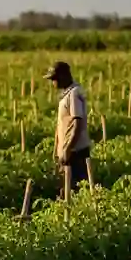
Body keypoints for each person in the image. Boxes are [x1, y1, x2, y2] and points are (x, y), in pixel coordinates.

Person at [46, 61, 91, 192]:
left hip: (76, 153)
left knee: (74, 192)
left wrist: (68, 149)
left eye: (54, 79)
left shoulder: (74, 94)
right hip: (69, 152)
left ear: (63, 77)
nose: (53, 83)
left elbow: (77, 123)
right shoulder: (67, 94)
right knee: (65, 192)